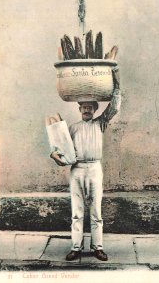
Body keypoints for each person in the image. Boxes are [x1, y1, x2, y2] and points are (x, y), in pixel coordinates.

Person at [48, 67, 121, 261]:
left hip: (95, 169)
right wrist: (55, 156)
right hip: (77, 170)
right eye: (84, 107)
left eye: (90, 106)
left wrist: (117, 83)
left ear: (95, 110)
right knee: (77, 211)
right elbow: (63, 153)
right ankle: (76, 248)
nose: (87, 109)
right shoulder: (72, 128)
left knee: (96, 210)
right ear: (79, 109)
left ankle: (97, 247)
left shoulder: (101, 123)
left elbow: (114, 107)